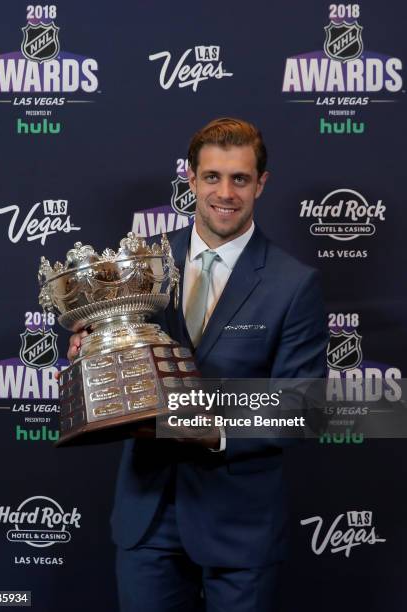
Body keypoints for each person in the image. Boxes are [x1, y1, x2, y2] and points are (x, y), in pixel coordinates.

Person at [67, 118, 328, 611]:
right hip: (148, 515)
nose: (224, 193)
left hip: (239, 525)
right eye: (212, 176)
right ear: (190, 177)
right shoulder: (142, 265)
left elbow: (305, 406)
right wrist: (93, 355)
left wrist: (213, 431)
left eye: (240, 179)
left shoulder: (294, 284)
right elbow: (121, 354)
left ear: (261, 184)